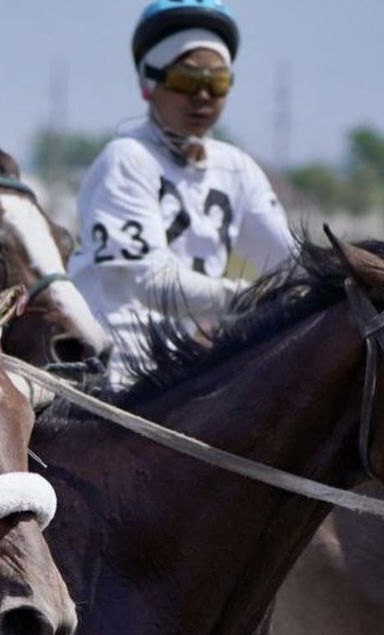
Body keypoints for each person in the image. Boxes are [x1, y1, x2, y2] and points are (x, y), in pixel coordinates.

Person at [69, 0, 295, 389]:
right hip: (118, 371)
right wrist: (246, 300)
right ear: (149, 83)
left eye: (218, 82)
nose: (203, 95)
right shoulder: (125, 160)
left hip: (190, 369)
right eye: (188, 81)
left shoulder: (237, 166)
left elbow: (292, 263)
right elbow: (152, 284)